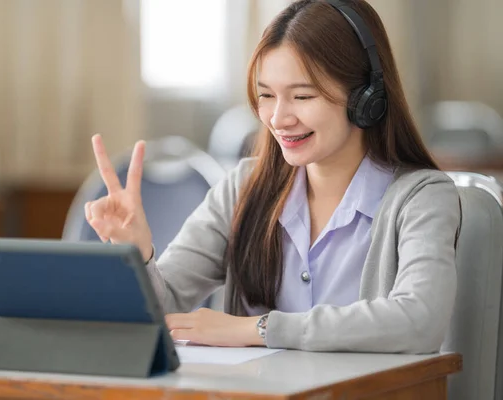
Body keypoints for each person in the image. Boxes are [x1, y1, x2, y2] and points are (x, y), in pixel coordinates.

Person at [85, 0, 461, 353]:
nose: (279, 119)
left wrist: (258, 329)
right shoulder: (242, 188)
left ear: (366, 98)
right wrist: (136, 252)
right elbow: (163, 303)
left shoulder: (421, 198)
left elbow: (419, 320)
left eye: (302, 97)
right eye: (266, 95)